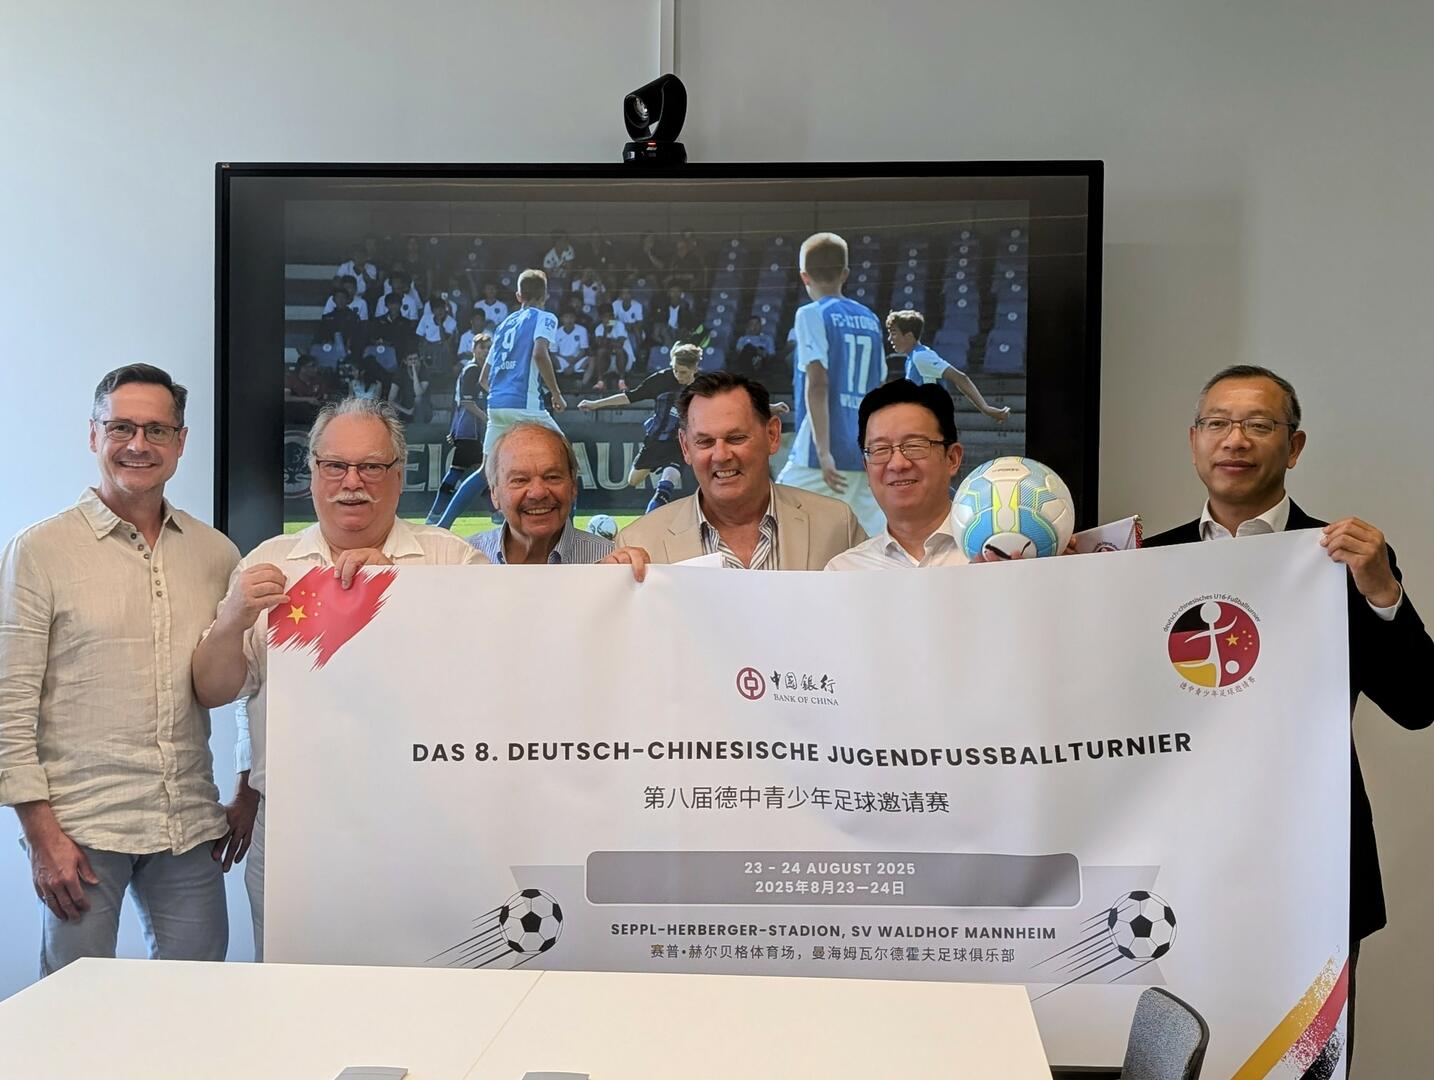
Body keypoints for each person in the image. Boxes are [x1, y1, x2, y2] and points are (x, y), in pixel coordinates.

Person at [1144, 363, 1434, 1053]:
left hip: (1313, 867)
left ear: (1294, 446)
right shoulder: (1142, 563)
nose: (1235, 440)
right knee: (1178, 1054)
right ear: (1194, 441)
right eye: (1218, 423)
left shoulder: (1345, 558)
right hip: (1176, 871)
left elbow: (1419, 702)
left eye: (1258, 424)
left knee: (1303, 1061)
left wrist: (1382, 592)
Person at [191, 398, 487, 959]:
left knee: (425, 987)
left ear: (399, 475)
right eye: (335, 466)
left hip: (425, 824)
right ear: (312, 473)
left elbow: (487, 685)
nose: (353, 483)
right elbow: (213, 689)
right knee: (293, 990)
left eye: (371, 466)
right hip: (296, 831)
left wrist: (402, 598)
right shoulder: (270, 563)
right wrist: (231, 617)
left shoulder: (453, 562)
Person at [0, 364, 240, 975]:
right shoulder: (40, 551)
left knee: (198, 1003)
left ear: (181, 442)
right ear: (94, 435)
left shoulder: (216, 554)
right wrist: (40, 835)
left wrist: (247, 786)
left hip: (187, 825)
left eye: (157, 430)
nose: (139, 444)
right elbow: (9, 703)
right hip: (80, 832)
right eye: (121, 428)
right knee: (73, 1011)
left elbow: (233, 683)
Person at [616, 371, 864, 569]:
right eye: (705, 442)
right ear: (685, 447)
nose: (721, 455)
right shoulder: (639, 542)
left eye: (736, 438)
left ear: (772, 435)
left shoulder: (837, 525)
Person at [776, 232, 885, 535]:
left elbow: (818, 383)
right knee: (870, 544)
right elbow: (879, 388)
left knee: (773, 525)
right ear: (845, 273)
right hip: (862, 452)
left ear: (804, 276)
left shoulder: (810, 314)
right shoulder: (870, 319)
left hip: (820, 456)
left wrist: (824, 452)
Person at [826, 379, 967, 569]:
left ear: (952, 458)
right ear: (867, 468)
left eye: (914, 446)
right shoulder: (845, 571)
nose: (898, 464)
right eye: (880, 449)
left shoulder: (997, 557)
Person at [579, 342, 701, 513]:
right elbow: (630, 397)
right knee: (633, 480)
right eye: (675, 370)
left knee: (668, 480)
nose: (678, 376)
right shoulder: (661, 380)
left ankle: (655, 511)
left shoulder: (704, 387)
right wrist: (595, 404)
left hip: (681, 442)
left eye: (683, 372)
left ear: (695, 368)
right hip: (656, 439)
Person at [470, 422, 615, 565]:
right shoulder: (464, 560)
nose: (538, 493)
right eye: (520, 480)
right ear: (494, 493)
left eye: (552, 477)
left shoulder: (613, 563)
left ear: (573, 485)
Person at [477, 269, 567, 455]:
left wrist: (503, 395)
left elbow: (483, 379)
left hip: (496, 406)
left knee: (487, 468)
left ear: (519, 296)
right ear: (546, 295)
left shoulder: (502, 326)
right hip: (525, 406)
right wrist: (556, 394)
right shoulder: (545, 317)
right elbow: (540, 354)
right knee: (566, 456)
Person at [885, 309, 1010, 422]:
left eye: (894, 333)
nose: (889, 339)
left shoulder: (921, 357)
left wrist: (985, 408)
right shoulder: (912, 358)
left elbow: (960, 377)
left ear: (909, 336)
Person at [427, 333, 490, 527]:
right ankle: (435, 516)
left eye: (488, 348)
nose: (485, 351)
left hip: (468, 430)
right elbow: (465, 402)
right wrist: (487, 419)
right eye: (482, 348)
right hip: (470, 430)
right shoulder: (472, 370)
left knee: (478, 473)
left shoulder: (480, 370)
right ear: (473, 349)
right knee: (470, 473)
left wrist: (454, 428)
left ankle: (435, 515)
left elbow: (458, 402)